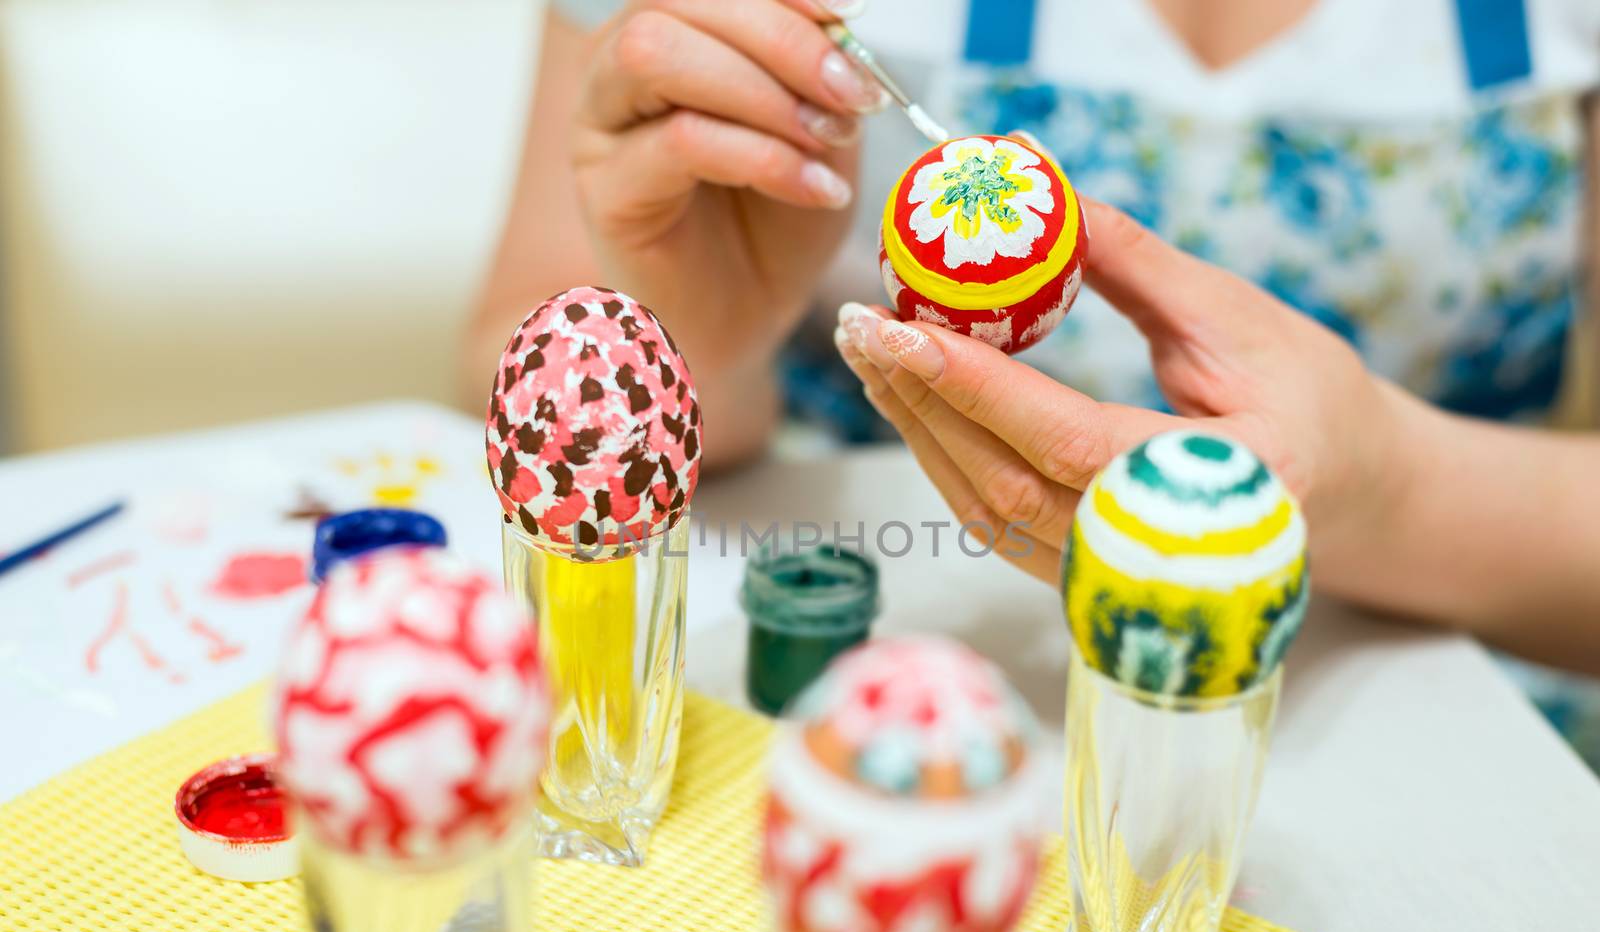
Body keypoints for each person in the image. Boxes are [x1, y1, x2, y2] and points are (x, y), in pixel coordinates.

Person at [466, 0, 1600, 761]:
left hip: (1400, 718)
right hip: (840, 661)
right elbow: (513, 358)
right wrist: (698, 351)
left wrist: (1388, 492)